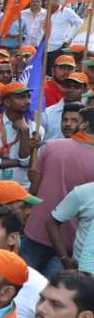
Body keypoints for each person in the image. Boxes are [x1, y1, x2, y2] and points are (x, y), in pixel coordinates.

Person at [24, 106, 94, 274]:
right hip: (70, 241)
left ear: (83, 125)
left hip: (36, 230)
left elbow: (34, 186)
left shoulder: (52, 146)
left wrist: (26, 209)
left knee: (21, 285)